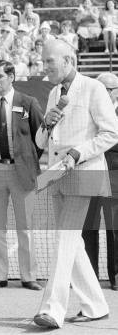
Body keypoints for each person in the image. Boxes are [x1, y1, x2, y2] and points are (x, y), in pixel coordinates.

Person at [32, 39, 118, 328]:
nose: (44, 67)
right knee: (73, 243)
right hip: (56, 175)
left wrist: (77, 153)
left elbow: (111, 133)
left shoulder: (93, 88)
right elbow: (41, 142)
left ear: (68, 60)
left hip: (85, 173)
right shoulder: (54, 92)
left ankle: (52, 309)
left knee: (64, 240)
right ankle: (95, 305)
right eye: (43, 62)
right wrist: (46, 123)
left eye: (48, 62)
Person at [0, 60, 44, 291]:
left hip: (22, 173)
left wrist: (25, 161)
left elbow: (41, 139)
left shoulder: (28, 103)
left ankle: (29, 276)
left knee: (25, 228)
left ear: (11, 76)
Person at [81, 72, 118, 291]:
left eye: (107, 89)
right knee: (88, 228)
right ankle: (89, 276)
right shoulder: (88, 112)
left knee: (115, 229)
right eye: (100, 88)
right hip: (89, 176)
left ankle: (115, 275)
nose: (102, 93)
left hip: (114, 180)